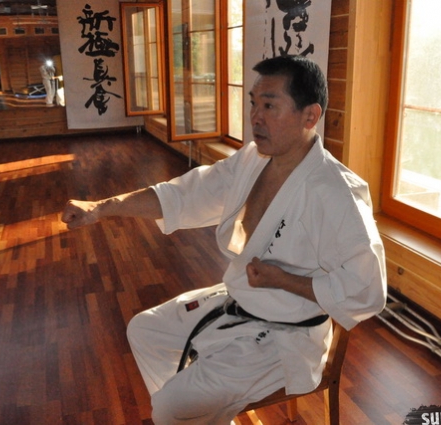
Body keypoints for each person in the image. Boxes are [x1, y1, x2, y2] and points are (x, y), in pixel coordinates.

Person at [61, 55, 387, 424]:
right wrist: (102, 208)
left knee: (170, 407)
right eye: (253, 103)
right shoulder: (253, 160)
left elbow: (368, 291)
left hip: (284, 335)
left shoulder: (337, 192)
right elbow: (185, 194)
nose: (255, 117)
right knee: (144, 330)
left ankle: (187, 411)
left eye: (269, 106)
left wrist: (282, 279)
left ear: (310, 116)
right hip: (239, 298)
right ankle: (200, 414)